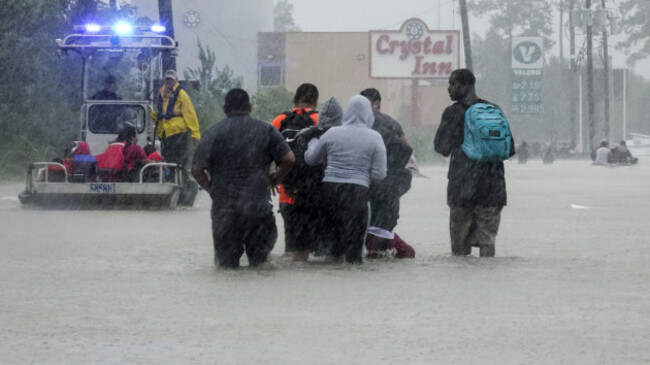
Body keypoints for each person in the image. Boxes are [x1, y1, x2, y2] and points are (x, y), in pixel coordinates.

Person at [192, 88, 295, 269]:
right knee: (262, 264)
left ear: (225, 108)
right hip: (258, 209)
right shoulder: (266, 130)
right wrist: (275, 179)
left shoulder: (212, 133)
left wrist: (212, 189)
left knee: (226, 269)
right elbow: (289, 160)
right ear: (250, 106)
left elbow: (196, 170)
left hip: (225, 211)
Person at [433, 69, 515, 257]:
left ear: (467, 85)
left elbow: (441, 147)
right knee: (487, 241)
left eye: (453, 84)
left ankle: (463, 286)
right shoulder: (494, 110)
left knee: (460, 247)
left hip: (462, 187)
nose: (449, 89)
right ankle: (487, 284)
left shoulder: (453, 113)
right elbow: (509, 149)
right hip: (493, 188)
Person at [304, 95, 387, 264]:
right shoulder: (375, 137)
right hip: (358, 193)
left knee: (333, 246)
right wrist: (362, 175)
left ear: (346, 113)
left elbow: (311, 160)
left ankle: (333, 283)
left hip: (330, 192)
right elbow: (380, 174)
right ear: (368, 114)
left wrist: (312, 142)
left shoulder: (332, 133)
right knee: (355, 249)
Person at [360, 88, 415, 259]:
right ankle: (378, 255)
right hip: (392, 180)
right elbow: (408, 151)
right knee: (382, 223)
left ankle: (374, 256)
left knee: (376, 222)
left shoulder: (366, 122)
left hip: (376, 180)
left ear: (376, 104)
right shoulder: (392, 123)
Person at [270, 83, 319, 260]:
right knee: (317, 253)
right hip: (314, 195)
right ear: (315, 101)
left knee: (292, 250)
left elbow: (263, 152)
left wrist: (272, 179)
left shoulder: (278, 121)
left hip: (286, 193)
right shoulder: (319, 121)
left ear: (296, 99)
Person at [151, 69, 200, 206]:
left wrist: (195, 133)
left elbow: (190, 113)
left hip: (178, 133)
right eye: (167, 79)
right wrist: (154, 115)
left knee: (178, 163)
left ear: (176, 80)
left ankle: (185, 189)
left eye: (171, 80)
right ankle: (172, 187)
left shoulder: (182, 94)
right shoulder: (162, 93)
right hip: (165, 133)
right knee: (167, 161)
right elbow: (162, 112)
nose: (169, 82)